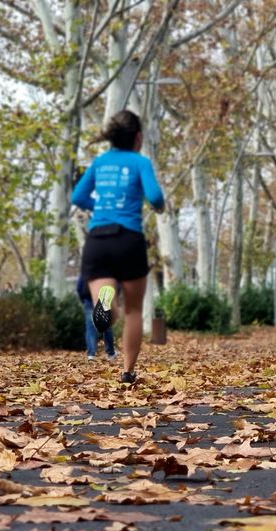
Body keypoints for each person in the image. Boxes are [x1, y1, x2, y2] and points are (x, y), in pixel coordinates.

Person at [71, 110, 165, 385]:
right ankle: (127, 371)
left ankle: (106, 307)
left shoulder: (100, 162)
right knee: (134, 309)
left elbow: (77, 196)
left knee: (106, 304)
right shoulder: (140, 162)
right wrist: (159, 206)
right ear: (138, 137)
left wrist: (101, 207)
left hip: (98, 240)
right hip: (129, 240)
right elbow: (155, 195)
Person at [76, 273, 116, 361]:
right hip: (104, 298)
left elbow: (79, 287)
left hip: (88, 299)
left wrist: (84, 300)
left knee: (90, 328)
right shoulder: (108, 271)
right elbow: (116, 286)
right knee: (107, 326)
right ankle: (110, 353)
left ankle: (91, 354)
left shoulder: (87, 269)